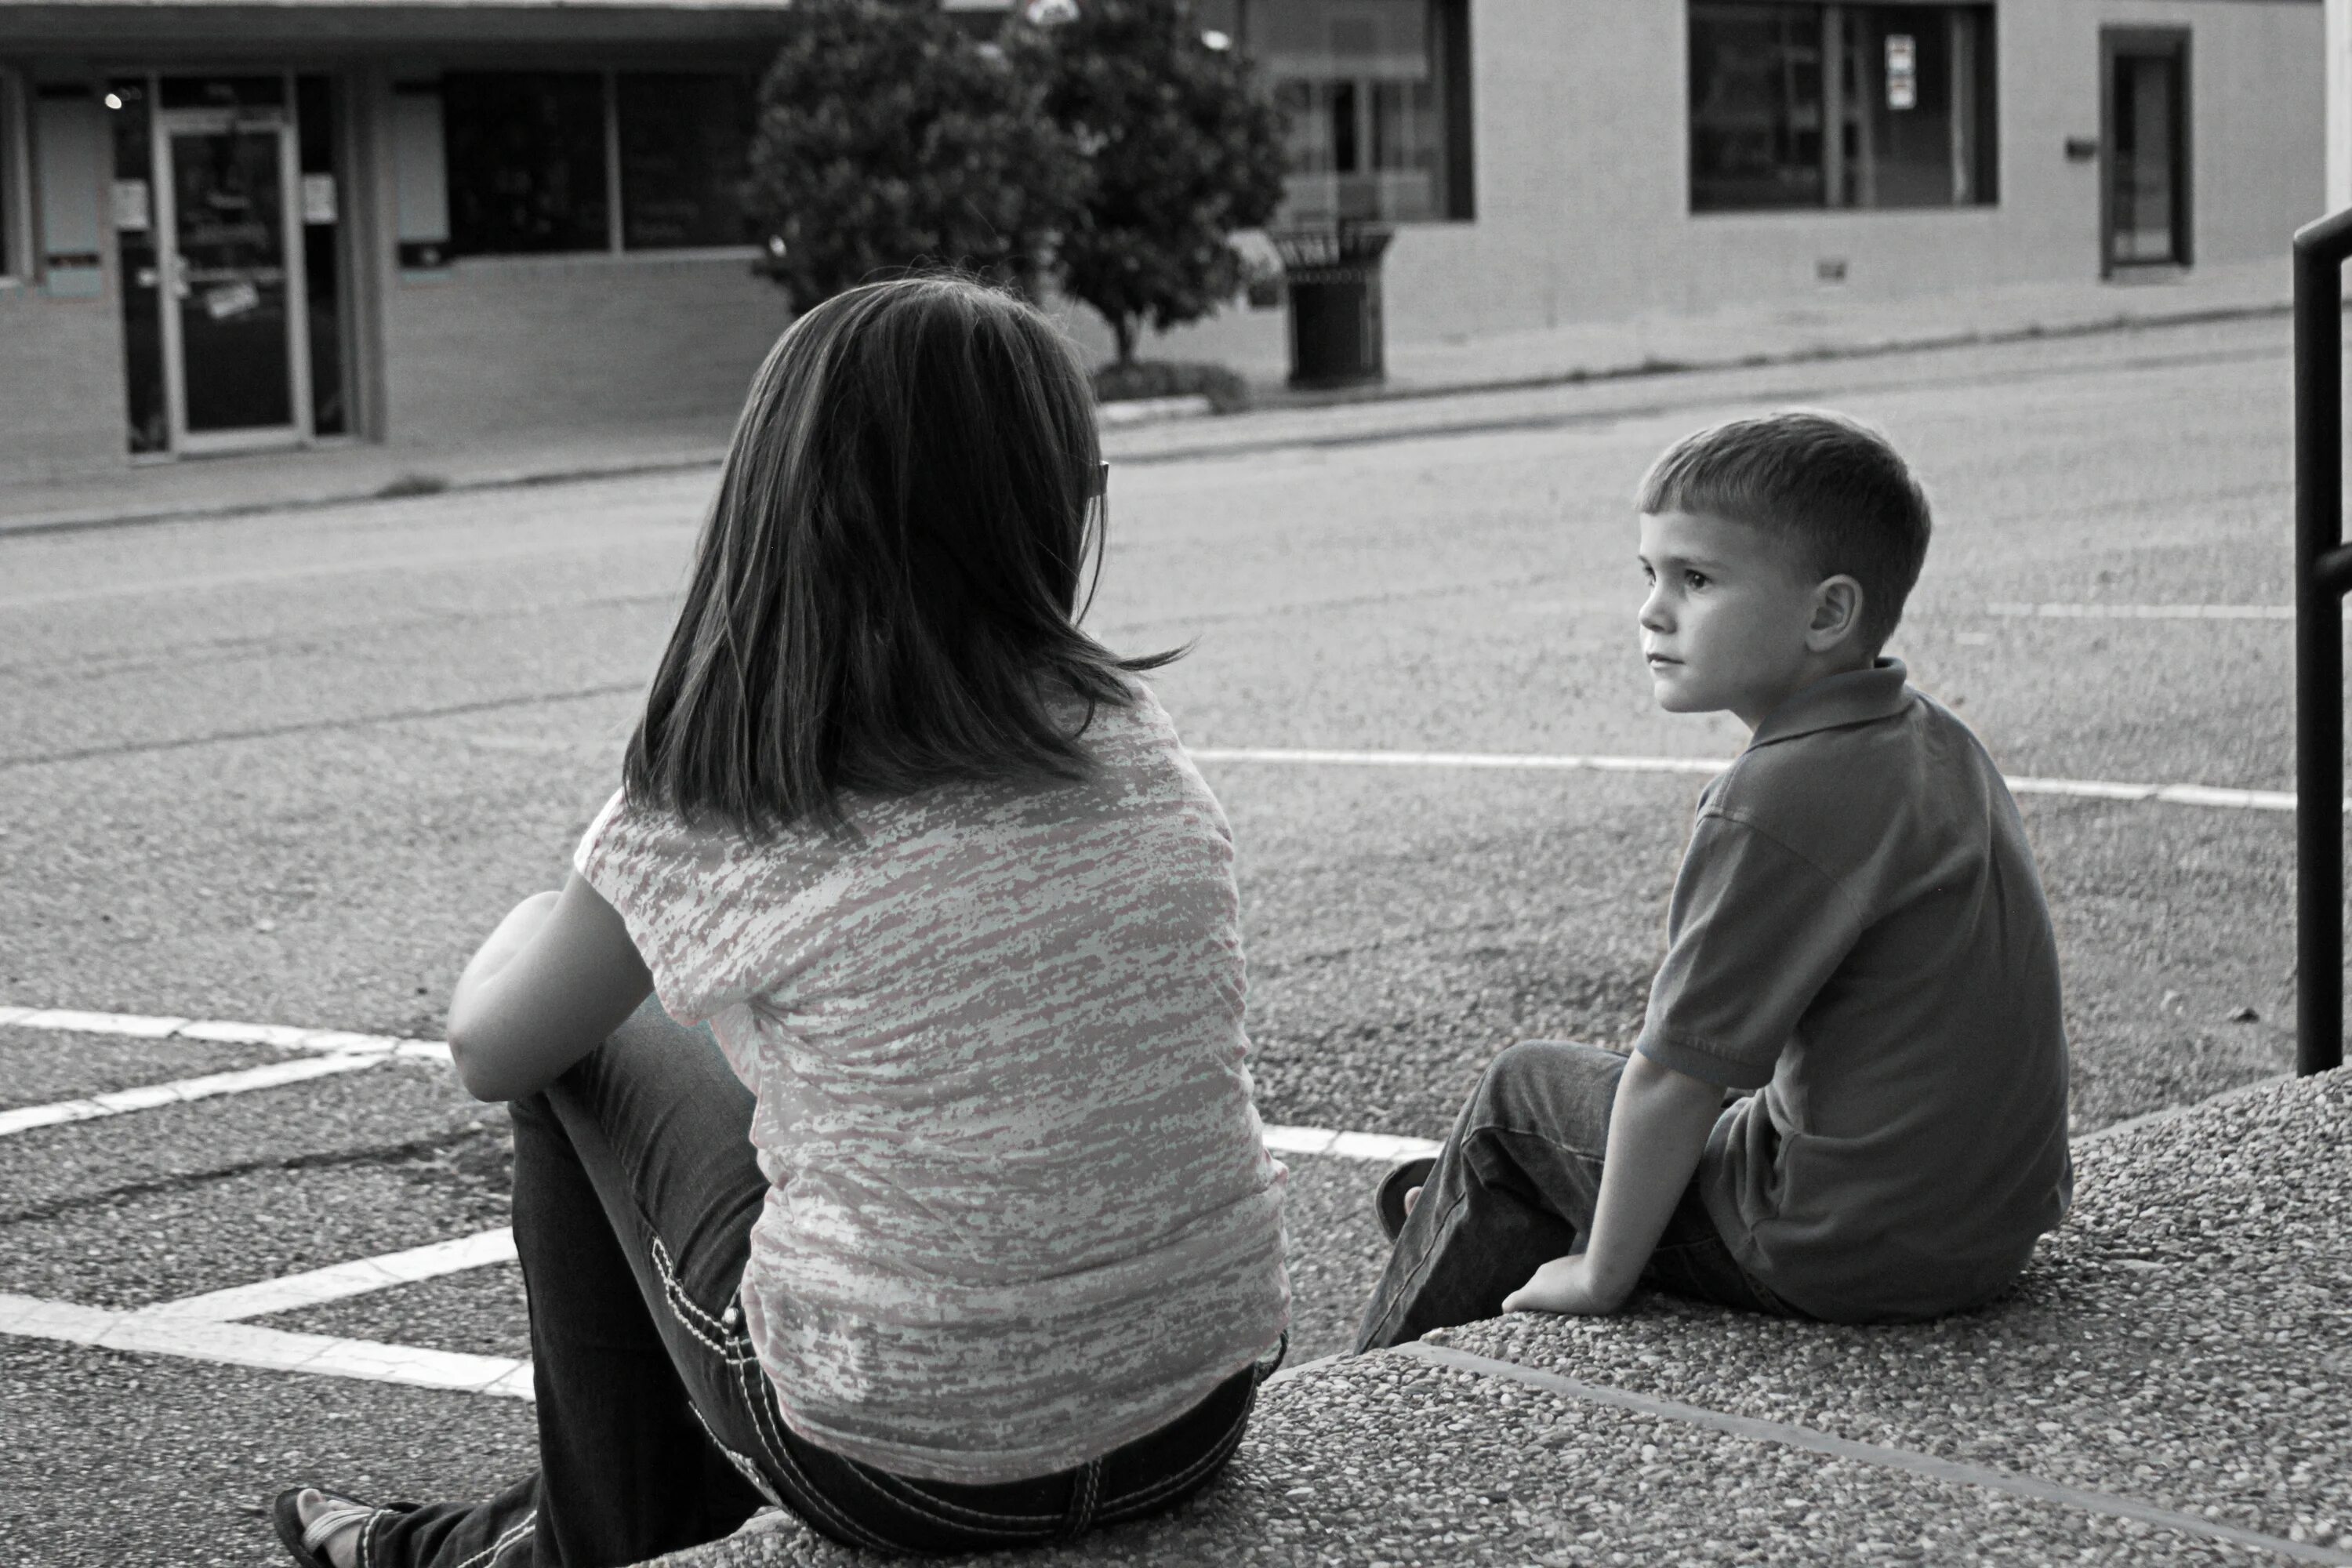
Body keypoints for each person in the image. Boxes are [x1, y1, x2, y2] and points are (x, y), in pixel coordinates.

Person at [274, 277, 1290, 1568]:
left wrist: (544, 914)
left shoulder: (741, 773)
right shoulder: (1128, 738)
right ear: (1050, 505)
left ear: (782, 501)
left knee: (581, 1041)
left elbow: (492, 1050)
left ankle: (578, 1542)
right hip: (1195, 1412)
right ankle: (528, 1536)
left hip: (911, 1469)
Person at [1356, 410, 2071, 1349]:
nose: (1654, 609)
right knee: (1647, 1104)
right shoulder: (1931, 738)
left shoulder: (1774, 796)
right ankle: (1499, 1207)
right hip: (1986, 1225)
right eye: (1649, 575)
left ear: (1827, 612)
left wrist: (1601, 1273)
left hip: (1842, 1244)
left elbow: (1675, 1075)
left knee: (1519, 1096)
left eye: (1696, 579)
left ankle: (1368, 1377)